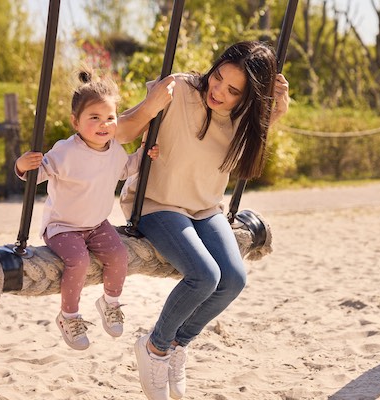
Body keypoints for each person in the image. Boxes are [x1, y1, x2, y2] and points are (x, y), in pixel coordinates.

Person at [119, 41, 290, 400]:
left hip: (204, 209)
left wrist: (275, 114)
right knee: (204, 276)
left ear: (247, 97)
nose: (219, 92)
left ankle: (178, 344)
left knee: (233, 280)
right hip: (157, 204)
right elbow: (122, 131)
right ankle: (155, 348)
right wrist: (150, 105)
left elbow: (247, 157)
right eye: (218, 78)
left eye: (232, 91)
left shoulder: (244, 119)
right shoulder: (178, 89)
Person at [14, 68, 171, 351]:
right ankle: (69, 315)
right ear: (76, 122)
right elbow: (37, 176)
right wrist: (23, 166)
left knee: (119, 254)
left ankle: (110, 302)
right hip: (63, 226)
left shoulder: (114, 150)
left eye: (110, 118)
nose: (104, 124)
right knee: (79, 260)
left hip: (97, 224)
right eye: (94, 118)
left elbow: (126, 170)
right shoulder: (66, 151)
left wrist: (144, 153)